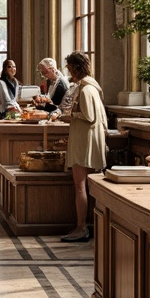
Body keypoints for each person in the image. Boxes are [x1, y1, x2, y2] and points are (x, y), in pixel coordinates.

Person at [58, 51, 107, 243]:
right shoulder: (92, 86)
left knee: (80, 187)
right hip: (90, 140)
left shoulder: (86, 89)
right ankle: (89, 225)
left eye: (70, 68)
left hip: (83, 142)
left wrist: (69, 116)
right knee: (89, 186)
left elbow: (89, 116)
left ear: (77, 68)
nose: (69, 72)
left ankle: (81, 227)